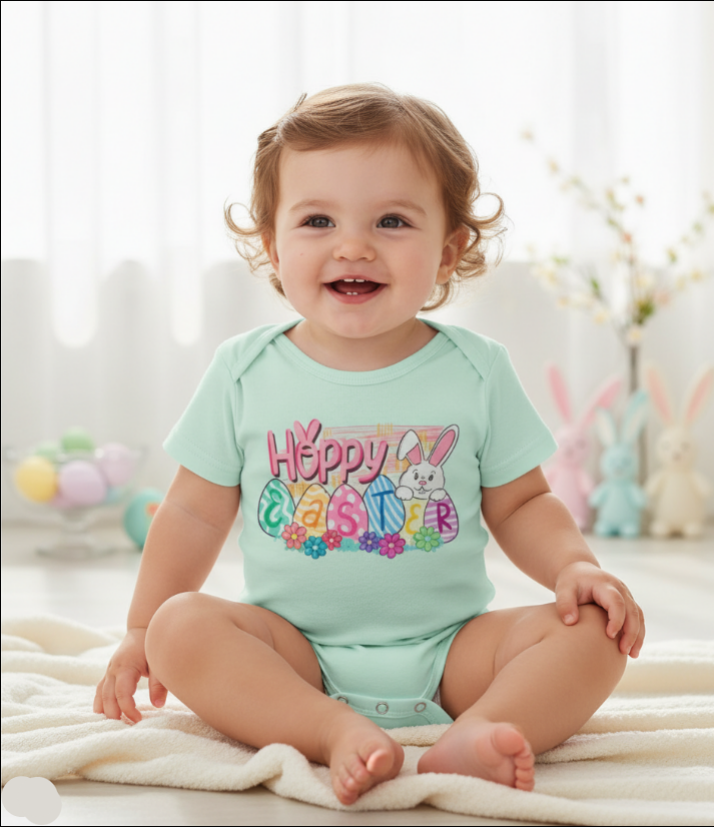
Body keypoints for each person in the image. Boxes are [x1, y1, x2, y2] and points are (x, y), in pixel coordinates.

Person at [94, 84, 645, 806]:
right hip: (292, 653)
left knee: (596, 633)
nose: (352, 245)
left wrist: (573, 565)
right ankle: (330, 728)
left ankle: (479, 730)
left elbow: (521, 502)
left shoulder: (476, 369)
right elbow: (193, 513)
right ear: (272, 245)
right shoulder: (244, 369)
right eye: (317, 219)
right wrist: (141, 628)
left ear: (448, 250)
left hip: (454, 650)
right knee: (181, 626)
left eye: (391, 221)